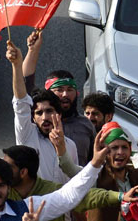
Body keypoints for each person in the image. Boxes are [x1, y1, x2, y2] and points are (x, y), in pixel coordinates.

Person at [7, 40, 78, 184]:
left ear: (59, 114)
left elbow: (74, 182)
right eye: (39, 113)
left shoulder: (70, 146)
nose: (45, 117)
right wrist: (16, 66)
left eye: (49, 111)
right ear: (33, 117)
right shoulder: (27, 134)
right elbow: (21, 102)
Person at [21, 29, 95, 163]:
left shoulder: (86, 125)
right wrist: (32, 51)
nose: (65, 94)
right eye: (59, 90)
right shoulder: (37, 123)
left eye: (70, 89)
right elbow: (24, 83)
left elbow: (93, 163)